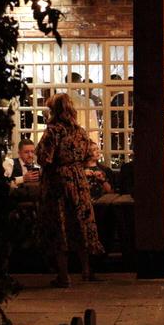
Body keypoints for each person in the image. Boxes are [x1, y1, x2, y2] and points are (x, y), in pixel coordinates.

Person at [36, 93, 104, 288]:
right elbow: (86, 155)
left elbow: (44, 158)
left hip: (58, 181)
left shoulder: (53, 131)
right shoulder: (80, 132)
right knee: (80, 222)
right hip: (78, 178)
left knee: (60, 224)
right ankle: (86, 270)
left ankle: (64, 276)